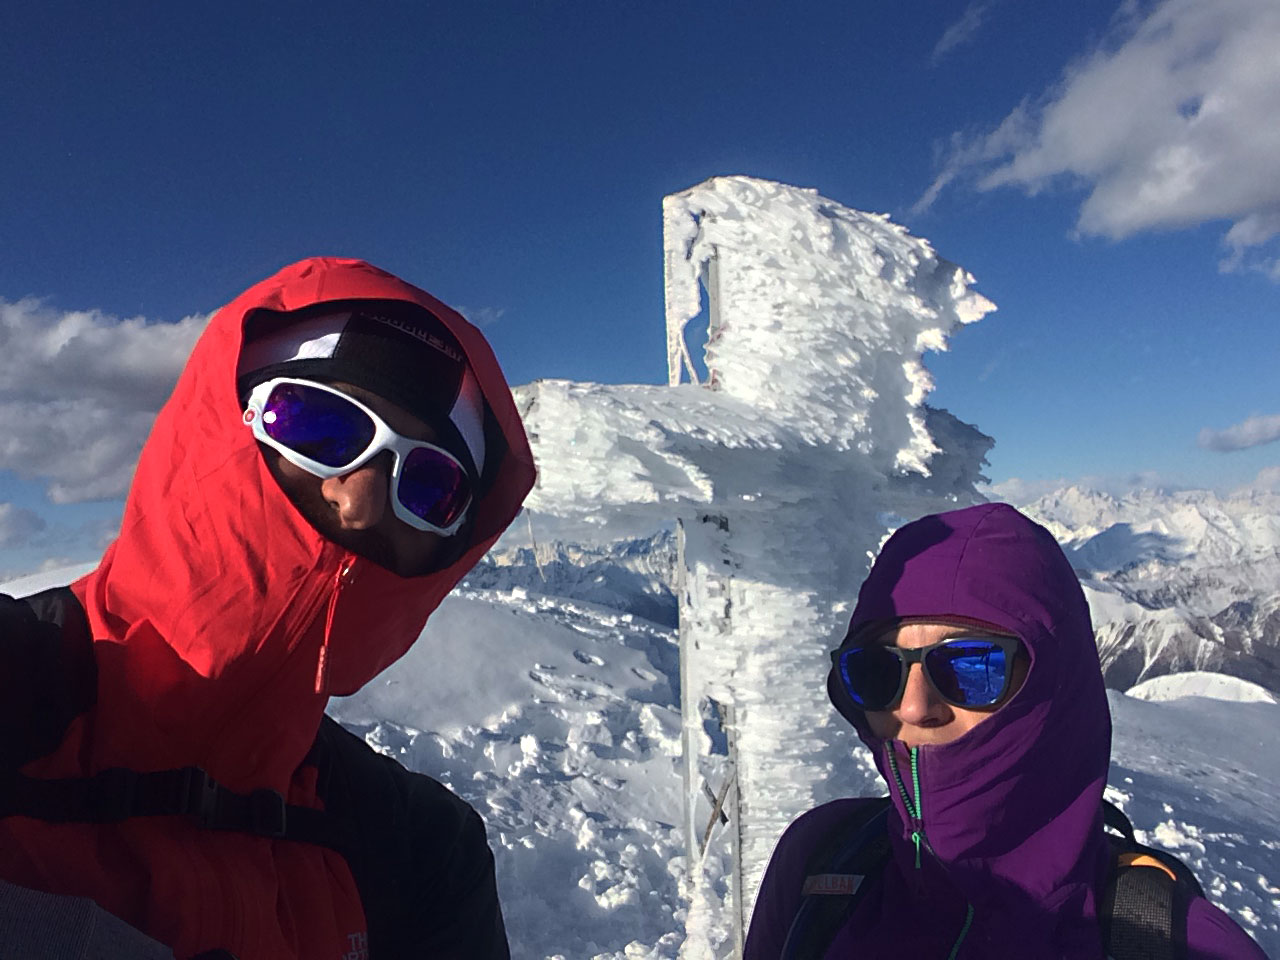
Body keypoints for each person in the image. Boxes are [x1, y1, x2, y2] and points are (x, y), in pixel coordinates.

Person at [0, 257, 537, 959]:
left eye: (430, 485)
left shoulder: (424, 851)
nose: (360, 499)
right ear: (226, 420)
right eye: (321, 428)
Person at [743, 502, 1267, 959]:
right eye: (877, 670)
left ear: (1053, 689)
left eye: (971, 667)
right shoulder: (818, 861)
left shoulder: (1180, 943)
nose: (914, 706)